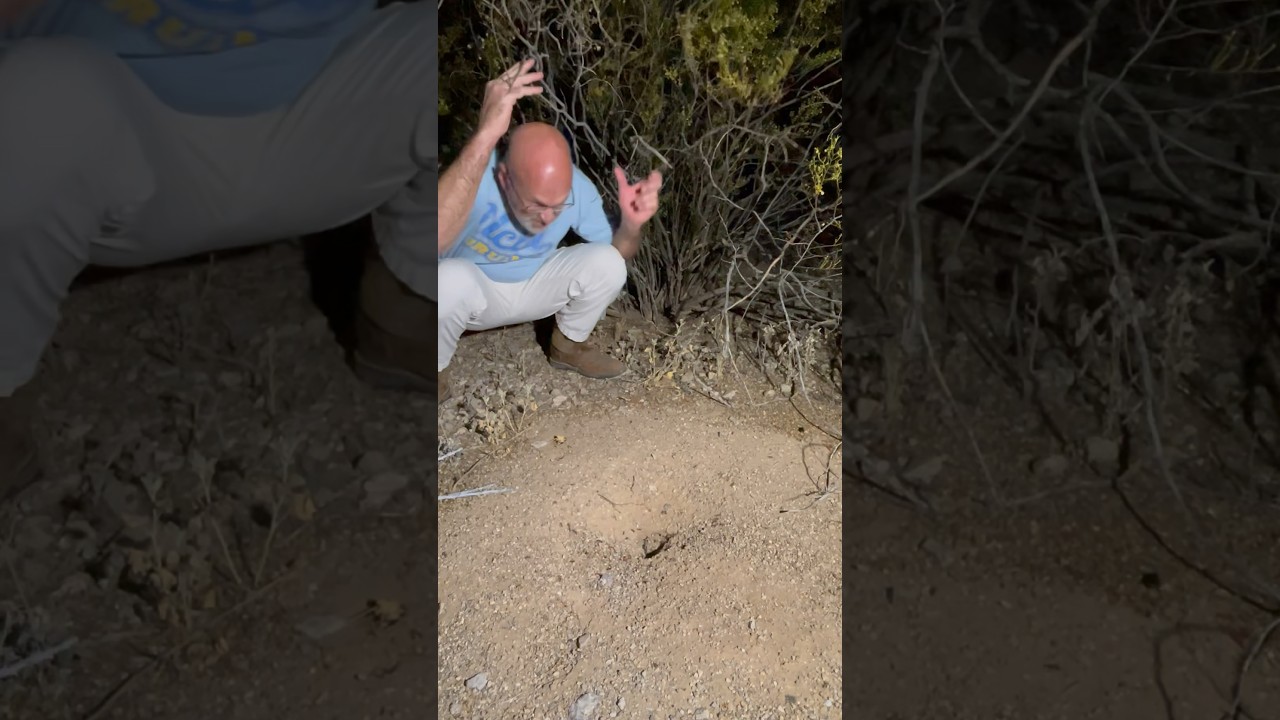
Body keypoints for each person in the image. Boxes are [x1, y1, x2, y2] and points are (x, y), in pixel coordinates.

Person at [0, 0, 439, 497]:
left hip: (320, 87)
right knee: (34, 99)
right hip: (116, 115)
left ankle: (404, 315)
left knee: (459, 53)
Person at [437, 59, 664, 399]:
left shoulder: (575, 186)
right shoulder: (476, 177)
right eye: (537, 204)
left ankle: (568, 346)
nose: (548, 218)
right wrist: (484, 136)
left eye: (557, 206)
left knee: (608, 261)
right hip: (475, 293)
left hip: (533, 286)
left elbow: (619, 253)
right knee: (447, 279)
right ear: (504, 177)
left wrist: (631, 226)